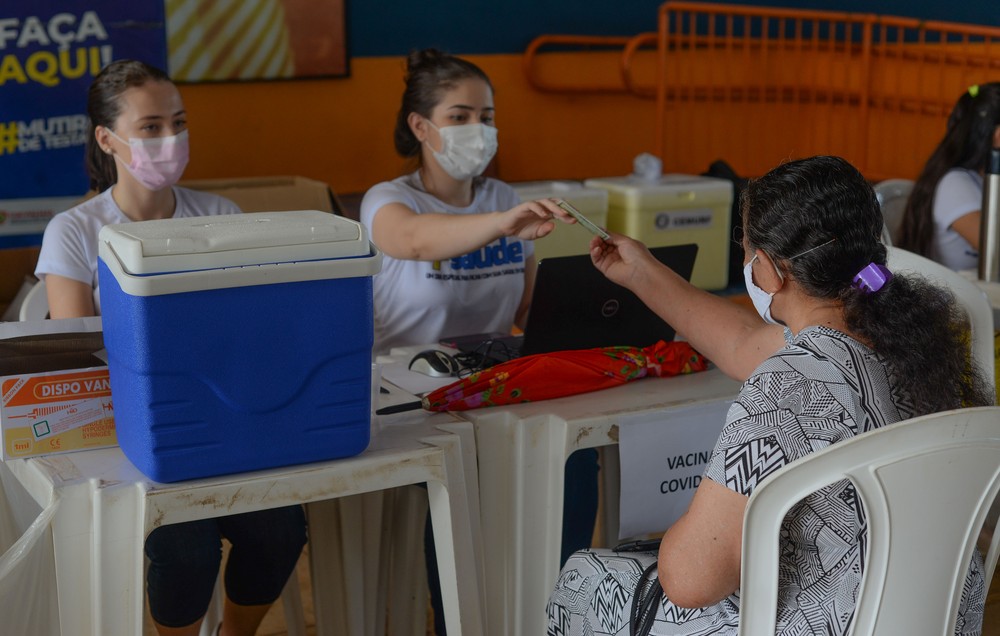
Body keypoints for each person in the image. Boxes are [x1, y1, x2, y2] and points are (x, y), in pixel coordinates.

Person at [547, 155, 992, 635]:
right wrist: (642, 272)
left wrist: (687, 524)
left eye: (746, 250)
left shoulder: (786, 386)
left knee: (587, 577)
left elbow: (692, 582)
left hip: (827, 622)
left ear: (770, 271)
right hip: (929, 614)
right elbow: (742, 343)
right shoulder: (916, 338)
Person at [34, 59, 307, 636]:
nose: (170, 139)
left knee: (281, 525)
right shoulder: (76, 230)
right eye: (151, 126)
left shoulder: (221, 217)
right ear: (107, 139)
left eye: (178, 123)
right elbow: (80, 348)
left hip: (225, 421)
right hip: (126, 432)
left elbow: (249, 335)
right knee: (187, 544)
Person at [359, 48, 596, 634]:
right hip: (407, 403)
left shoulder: (501, 199)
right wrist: (502, 223)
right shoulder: (388, 201)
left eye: (486, 116)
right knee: (464, 482)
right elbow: (412, 241)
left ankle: (549, 609)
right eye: (460, 116)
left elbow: (527, 311)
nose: (479, 130)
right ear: (421, 127)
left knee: (577, 453)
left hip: (488, 387)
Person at [897, 82, 1000, 271]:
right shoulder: (956, 185)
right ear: (997, 135)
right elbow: (995, 252)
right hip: (956, 296)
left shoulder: (984, 181)